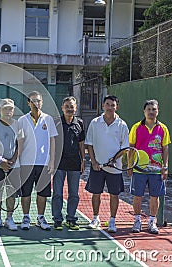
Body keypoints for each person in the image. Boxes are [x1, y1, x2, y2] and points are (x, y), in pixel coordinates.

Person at [85, 95, 129, 233]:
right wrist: (93, 162)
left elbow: (125, 148)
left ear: (117, 107)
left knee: (114, 195)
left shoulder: (122, 125)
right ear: (103, 106)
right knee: (96, 193)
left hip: (115, 168)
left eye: (113, 105)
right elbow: (89, 144)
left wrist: (114, 160)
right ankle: (95, 218)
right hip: (97, 167)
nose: (110, 107)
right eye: (107, 104)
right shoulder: (95, 122)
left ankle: (112, 221)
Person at [128, 99, 170, 234]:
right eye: (149, 109)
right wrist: (130, 165)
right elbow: (131, 148)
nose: (151, 112)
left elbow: (165, 149)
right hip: (139, 169)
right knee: (137, 196)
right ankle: (137, 221)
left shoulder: (163, 128)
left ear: (158, 111)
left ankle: (152, 222)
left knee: (154, 197)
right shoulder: (136, 127)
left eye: (154, 109)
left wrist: (165, 166)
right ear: (144, 111)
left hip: (157, 170)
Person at [18, 91, 58, 230]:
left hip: (44, 163)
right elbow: (20, 142)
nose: (36, 104)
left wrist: (52, 161)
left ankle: (40, 218)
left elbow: (52, 141)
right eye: (33, 101)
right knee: (26, 193)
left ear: (42, 102)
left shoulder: (49, 119)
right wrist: (18, 161)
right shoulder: (22, 120)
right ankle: (26, 217)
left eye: (39, 101)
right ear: (28, 103)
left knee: (42, 193)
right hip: (26, 163)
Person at [0, 98, 23, 231]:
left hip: (14, 166)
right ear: (0, 110)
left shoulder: (18, 125)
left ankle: (9, 218)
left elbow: (20, 144)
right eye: (5, 108)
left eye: (10, 109)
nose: (8, 111)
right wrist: (0, 160)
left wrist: (12, 160)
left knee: (11, 193)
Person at [52, 96, 85, 231]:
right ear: (62, 108)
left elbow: (81, 143)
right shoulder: (56, 122)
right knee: (58, 194)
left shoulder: (80, 123)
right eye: (67, 106)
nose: (69, 109)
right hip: (59, 164)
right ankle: (58, 220)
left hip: (75, 164)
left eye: (72, 107)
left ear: (75, 108)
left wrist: (83, 160)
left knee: (74, 194)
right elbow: (52, 142)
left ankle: (71, 219)